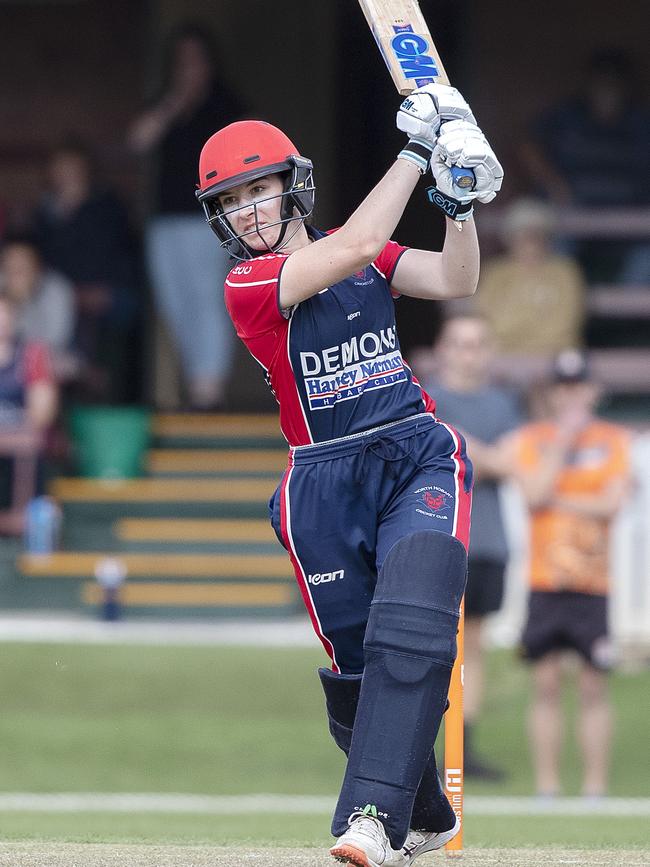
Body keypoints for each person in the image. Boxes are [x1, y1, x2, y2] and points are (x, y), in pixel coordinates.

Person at [195, 83, 503, 865]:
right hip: (321, 486)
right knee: (358, 678)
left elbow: (455, 281)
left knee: (415, 627)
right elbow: (358, 247)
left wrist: (458, 206)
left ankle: (368, 818)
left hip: (414, 451)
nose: (248, 211)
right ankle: (426, 815)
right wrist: (415, 150)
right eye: (231, 201)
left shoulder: (364, 250)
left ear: (292, 183)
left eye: (259, 189)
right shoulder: (250, 286)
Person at [511, 349, 631, 799]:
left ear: (593, 390)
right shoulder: (534, 439)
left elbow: (611, 504)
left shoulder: (613, 440)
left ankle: (595, 787)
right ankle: (548, 786)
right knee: (544, 682)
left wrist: (557, 500)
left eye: (578, 386)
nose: (571, 396)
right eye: (562, 387)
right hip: (545, 579)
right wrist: (564, 440)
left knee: (593, 684)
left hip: (593, 582)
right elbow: (532, 493)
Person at [127, 23, 245, 410]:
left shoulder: (226, 103)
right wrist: (173, 104)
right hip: (164, 219)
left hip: (209, 218)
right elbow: (137, 141)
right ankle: (197, 379)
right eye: (182, 61)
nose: (189, 68)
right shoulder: (165, 101)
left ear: (209, 63)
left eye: (196, 59)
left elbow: (251, 151)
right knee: (173, 302)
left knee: (208, 298)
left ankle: (206, 389)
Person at [425, 314, 523, 780]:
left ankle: (463, 747)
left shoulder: (502, 403)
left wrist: (454, 439)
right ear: (444, 349)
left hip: (486, 541)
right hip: (435, 538)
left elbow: (512, 463)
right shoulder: (423, 397)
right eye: (460, 343)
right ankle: (423, 746)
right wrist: (477, 451)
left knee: (476, 646)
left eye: (478, 343)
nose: (469, 352)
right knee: (427, 647)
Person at [519, 47, 650, 282]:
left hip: (628, 218)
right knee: (552, 244)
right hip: (571, 212)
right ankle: (557, 304)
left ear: (625, 85)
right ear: (590, 83)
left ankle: (625, 319)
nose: (607, 89)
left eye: (614, 82)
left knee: (643, 259)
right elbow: (527, 145)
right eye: (602, 81)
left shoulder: (639, 120)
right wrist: (555, 185)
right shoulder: (567, 116)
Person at [31, 140, 140, 402]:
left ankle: (109, 395)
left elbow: (121, 255)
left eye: (72, 167)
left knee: (119, 312)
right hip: (58, 296)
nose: (66, 173)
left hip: (108, 291)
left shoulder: (107, 205)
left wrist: (94, 292)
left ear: (86, 170)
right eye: (60, 167)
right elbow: (42, 262)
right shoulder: (45, 212)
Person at [474, 198, 586, 356]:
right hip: (502, 357)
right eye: (523, 234)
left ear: (547, 237)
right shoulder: (495, 273)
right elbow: (488, 322)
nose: (530, 242)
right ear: (510, 237)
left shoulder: (566, 272)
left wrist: (515, 327)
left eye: (536, 234)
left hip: (554, 357)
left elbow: (565, 325)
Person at [0, 236, 77, 381]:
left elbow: (55, 343)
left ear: (38, 268)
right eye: (10, 267)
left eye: (23, 267)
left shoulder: (57, 290)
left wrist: (24, 303)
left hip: (50, 360)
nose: (16, 274)